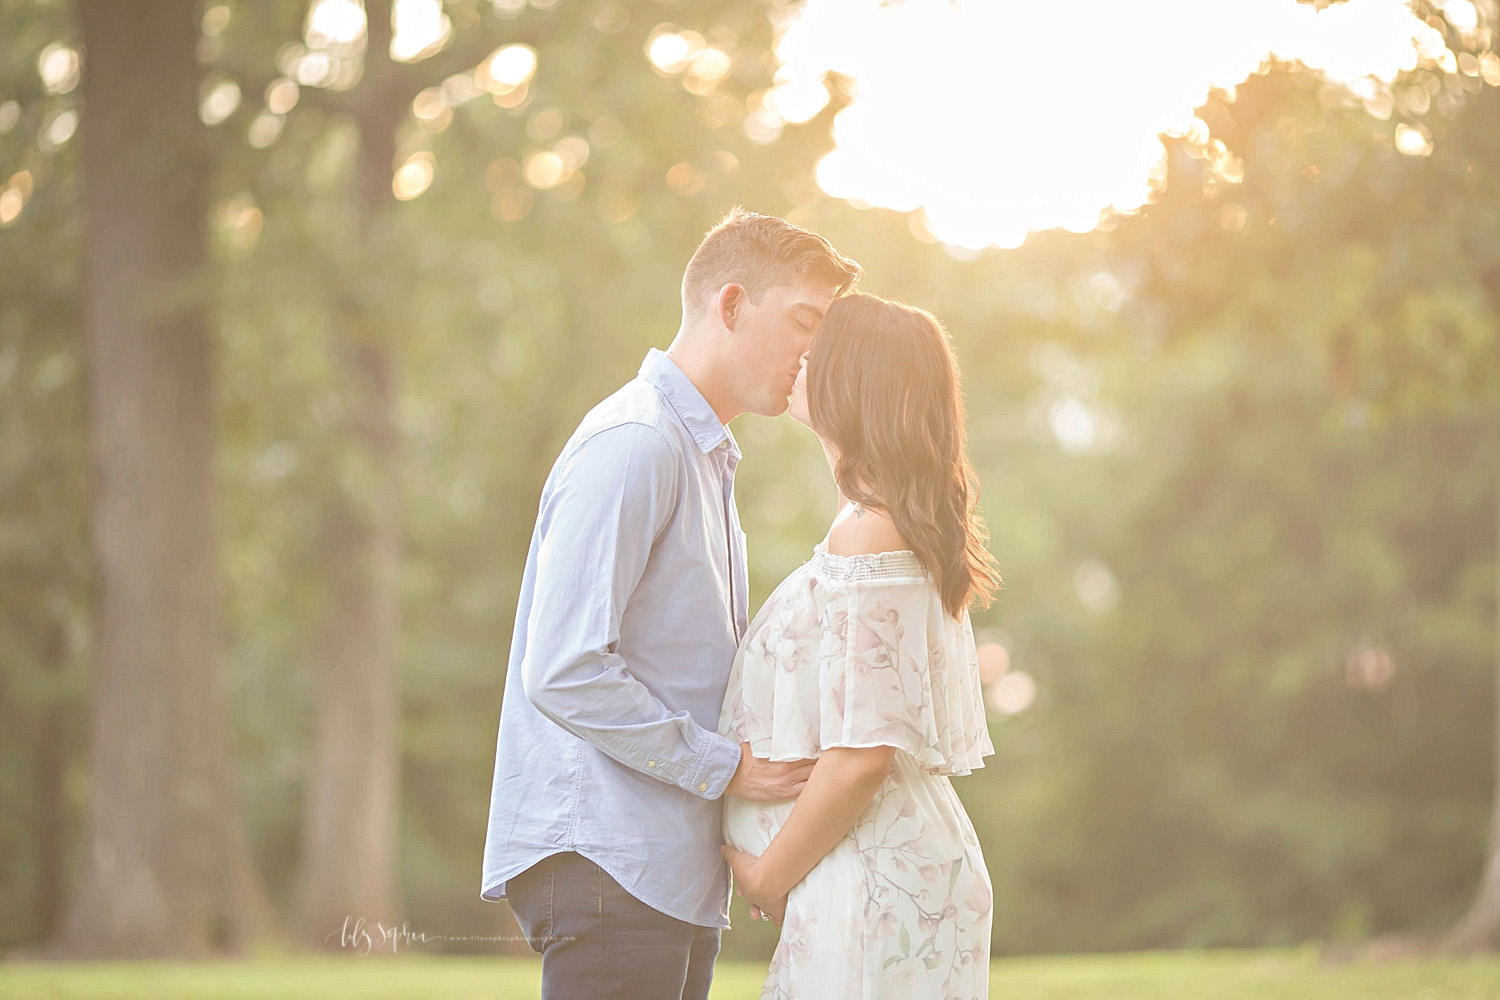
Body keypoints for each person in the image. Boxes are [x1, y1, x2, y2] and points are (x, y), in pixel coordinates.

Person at [480, 208, 861, 1000]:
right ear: (729, 306)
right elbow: (563, 669)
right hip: (608, 860)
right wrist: (728, 770)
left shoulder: (704, 458)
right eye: (803, 322)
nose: (812, 354)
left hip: (663, 867)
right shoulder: (637, 443)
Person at [718, 292, 1002, 999]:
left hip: (878, 882)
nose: (800, 360)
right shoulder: (871, 521)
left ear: (856, 381)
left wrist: (765, 873)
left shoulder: (870, 532)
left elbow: (863, 756)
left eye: (819, 350)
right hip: (869, 874)